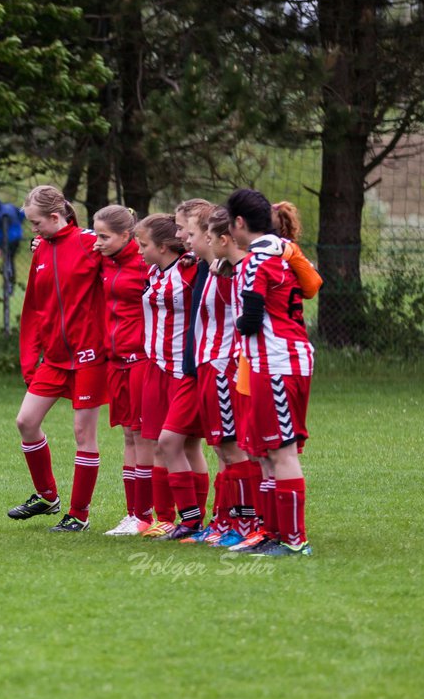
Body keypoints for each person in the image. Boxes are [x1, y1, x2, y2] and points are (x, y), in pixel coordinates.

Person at [9, 185, 107, 532]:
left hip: (89, 356)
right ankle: (47, 496)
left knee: (84, 433)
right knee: (26, 421)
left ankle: (79, 515)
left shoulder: (90, 243)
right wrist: (30, 358)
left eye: (36, 223)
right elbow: (34, 308)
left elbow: (129, 257)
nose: (32, 230)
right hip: (53, 358)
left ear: (55, 217)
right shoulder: (41, 250)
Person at [226, 188, 316, 556]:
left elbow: (249, 320)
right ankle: (273, 534)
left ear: (239, 223)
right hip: (272, 362)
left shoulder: (256, 262)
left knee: (281, 451)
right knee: (265, 453)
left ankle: (295, 541)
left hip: (278, 362)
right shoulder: (281, 254)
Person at [179, 203, 262, 547]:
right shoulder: (211, 268)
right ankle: (226, 520)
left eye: (195, 234)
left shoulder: (234, 271)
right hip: (209, 364)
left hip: (224, 363)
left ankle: (246, 523)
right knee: (222, 450)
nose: (185, 238)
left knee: (233, 449)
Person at [135, 210, 209, 541]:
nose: (139, 250)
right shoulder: (153, 271)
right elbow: (115, 246)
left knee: (185, 444)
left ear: (165, 246)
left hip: (183, 370)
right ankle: (165, 519)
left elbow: (209, 253)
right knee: (156, 446)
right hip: (155, 368)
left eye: (144, 244)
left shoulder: (191, 270)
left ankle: (195, 520)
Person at [90, 204, 155, 536]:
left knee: (144, 439)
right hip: (115, 363)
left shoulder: (145, 263)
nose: (97, 242)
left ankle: (146, 516)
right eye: (96, 234)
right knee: (129, 437)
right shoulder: (104, 260)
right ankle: (133, 514)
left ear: (127, 236)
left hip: (141, 362)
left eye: (104, 236)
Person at [0, 197, 25, 287]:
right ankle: (8, 283)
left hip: (9, 240)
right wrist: (18, 225)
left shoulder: (0, 216)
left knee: (8, 261)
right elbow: (22, 215)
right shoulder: (9, 206)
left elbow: (1, 233)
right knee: (9, 260)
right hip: (18, 236)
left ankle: (9, 284)